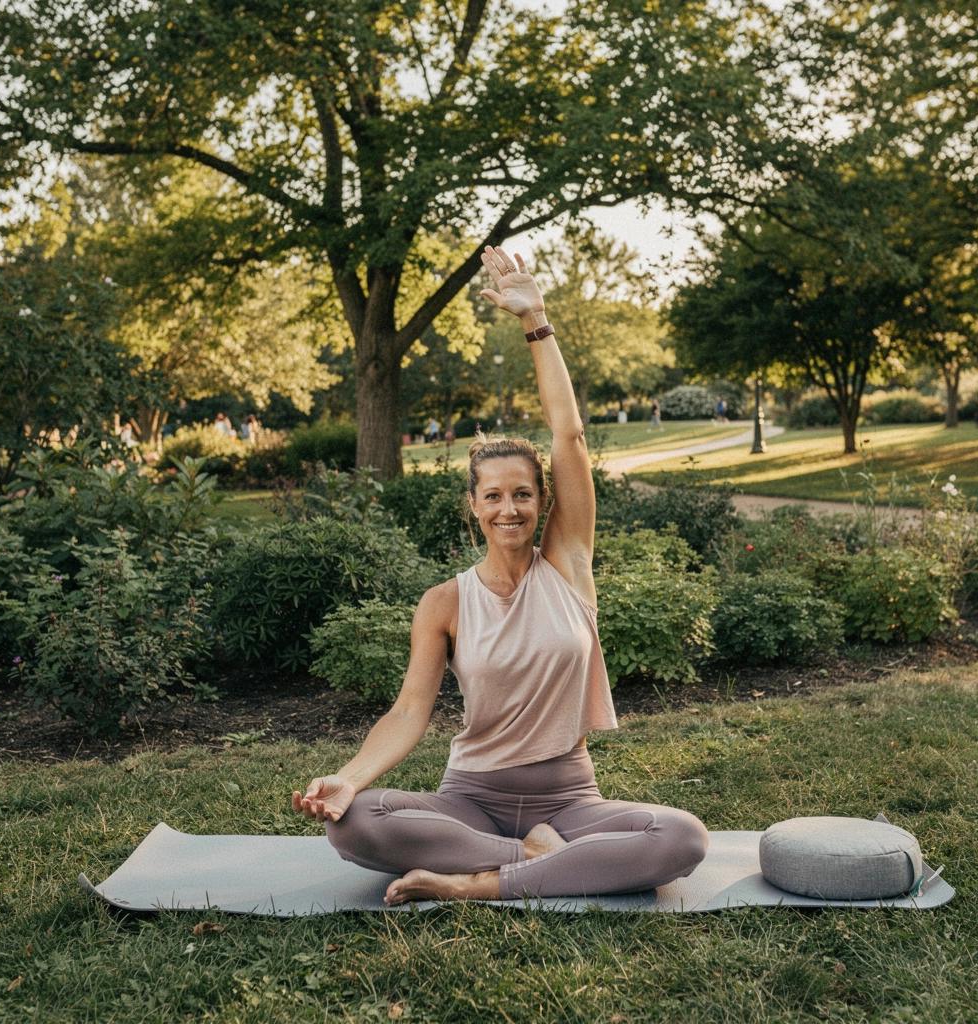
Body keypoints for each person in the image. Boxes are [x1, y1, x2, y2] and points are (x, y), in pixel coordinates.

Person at [291, 243, 709, 905]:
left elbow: (568, 435)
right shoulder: (443, 602)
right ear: (474, 506)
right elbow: (407, 712)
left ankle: (478, 885)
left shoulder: (568, 567)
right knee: (356, 824)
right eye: (493, 495)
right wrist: (349, 776)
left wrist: (534, 321)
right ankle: (538, 862)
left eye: (522, 493)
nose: (509, 507)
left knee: (682, 837)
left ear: (542, 501)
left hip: (570, 797)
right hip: (471, 800)